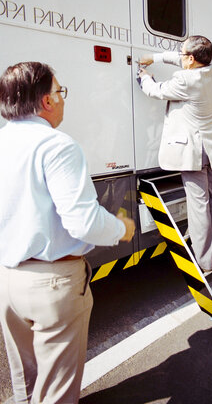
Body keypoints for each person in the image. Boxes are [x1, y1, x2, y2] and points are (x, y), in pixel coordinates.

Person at [0, 62, 135, 404]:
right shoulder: (57, 145)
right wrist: (122, 228)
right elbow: (83, 222)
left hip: (8, 279)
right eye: (60, 92)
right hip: (53, 283)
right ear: (46, 101)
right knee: (57, 388)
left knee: (27, 381)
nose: (63, 99)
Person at [137, 35, 212, 272]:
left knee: (198, 207)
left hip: (195, 153)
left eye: (181, 52)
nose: (178, 55)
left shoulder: (186, 80)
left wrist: (144, 76)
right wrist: (154, 57)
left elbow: (155, 91)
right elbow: (182, 60)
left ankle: (205, 261)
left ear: (190, 59)